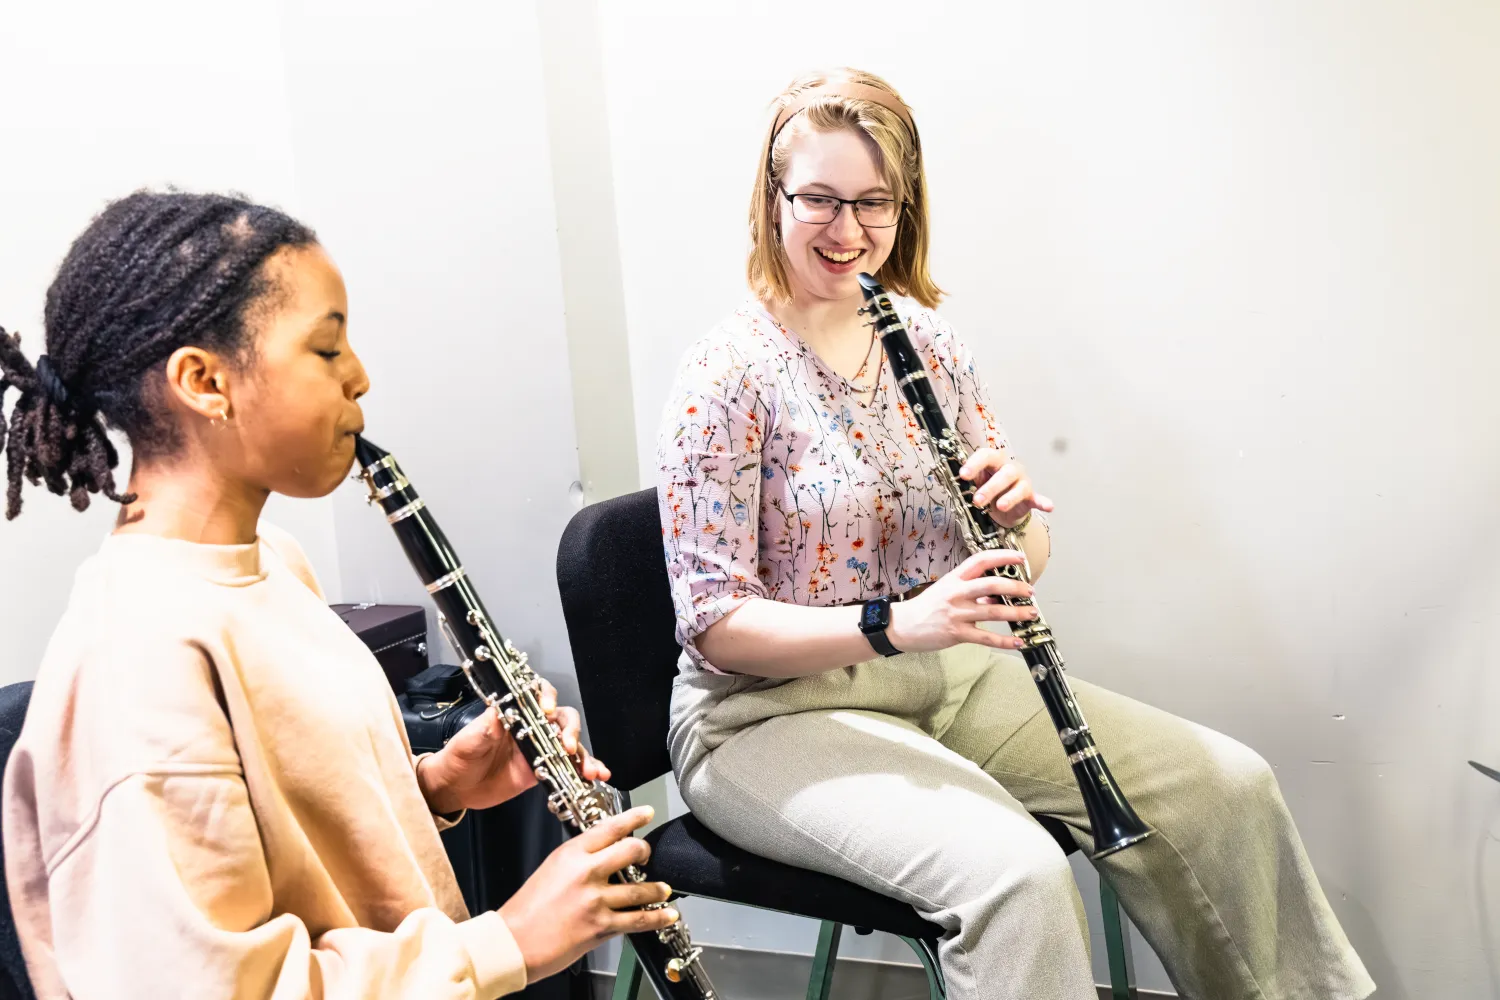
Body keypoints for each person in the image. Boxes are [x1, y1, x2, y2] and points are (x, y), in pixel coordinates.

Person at [656, 68, 1375, 1000]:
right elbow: (714, 624)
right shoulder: (726, 375)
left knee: (1225, 789)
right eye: (821, 199)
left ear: (905, 205)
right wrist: (896, 623)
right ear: (773, 198)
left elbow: (1017, 566)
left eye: (874, 202)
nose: (847, 230)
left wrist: (1016, 524)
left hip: (944, 682)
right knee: (1018, 880)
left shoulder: (927, 342)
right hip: (768, 717)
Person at [0, 191, 677, 999]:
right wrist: (511, 940)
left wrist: (431, 789)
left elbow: (288, 849)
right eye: (326, 351)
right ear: (204, 380)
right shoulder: (139, 654)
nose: (360, 375)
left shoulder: (273, 564)